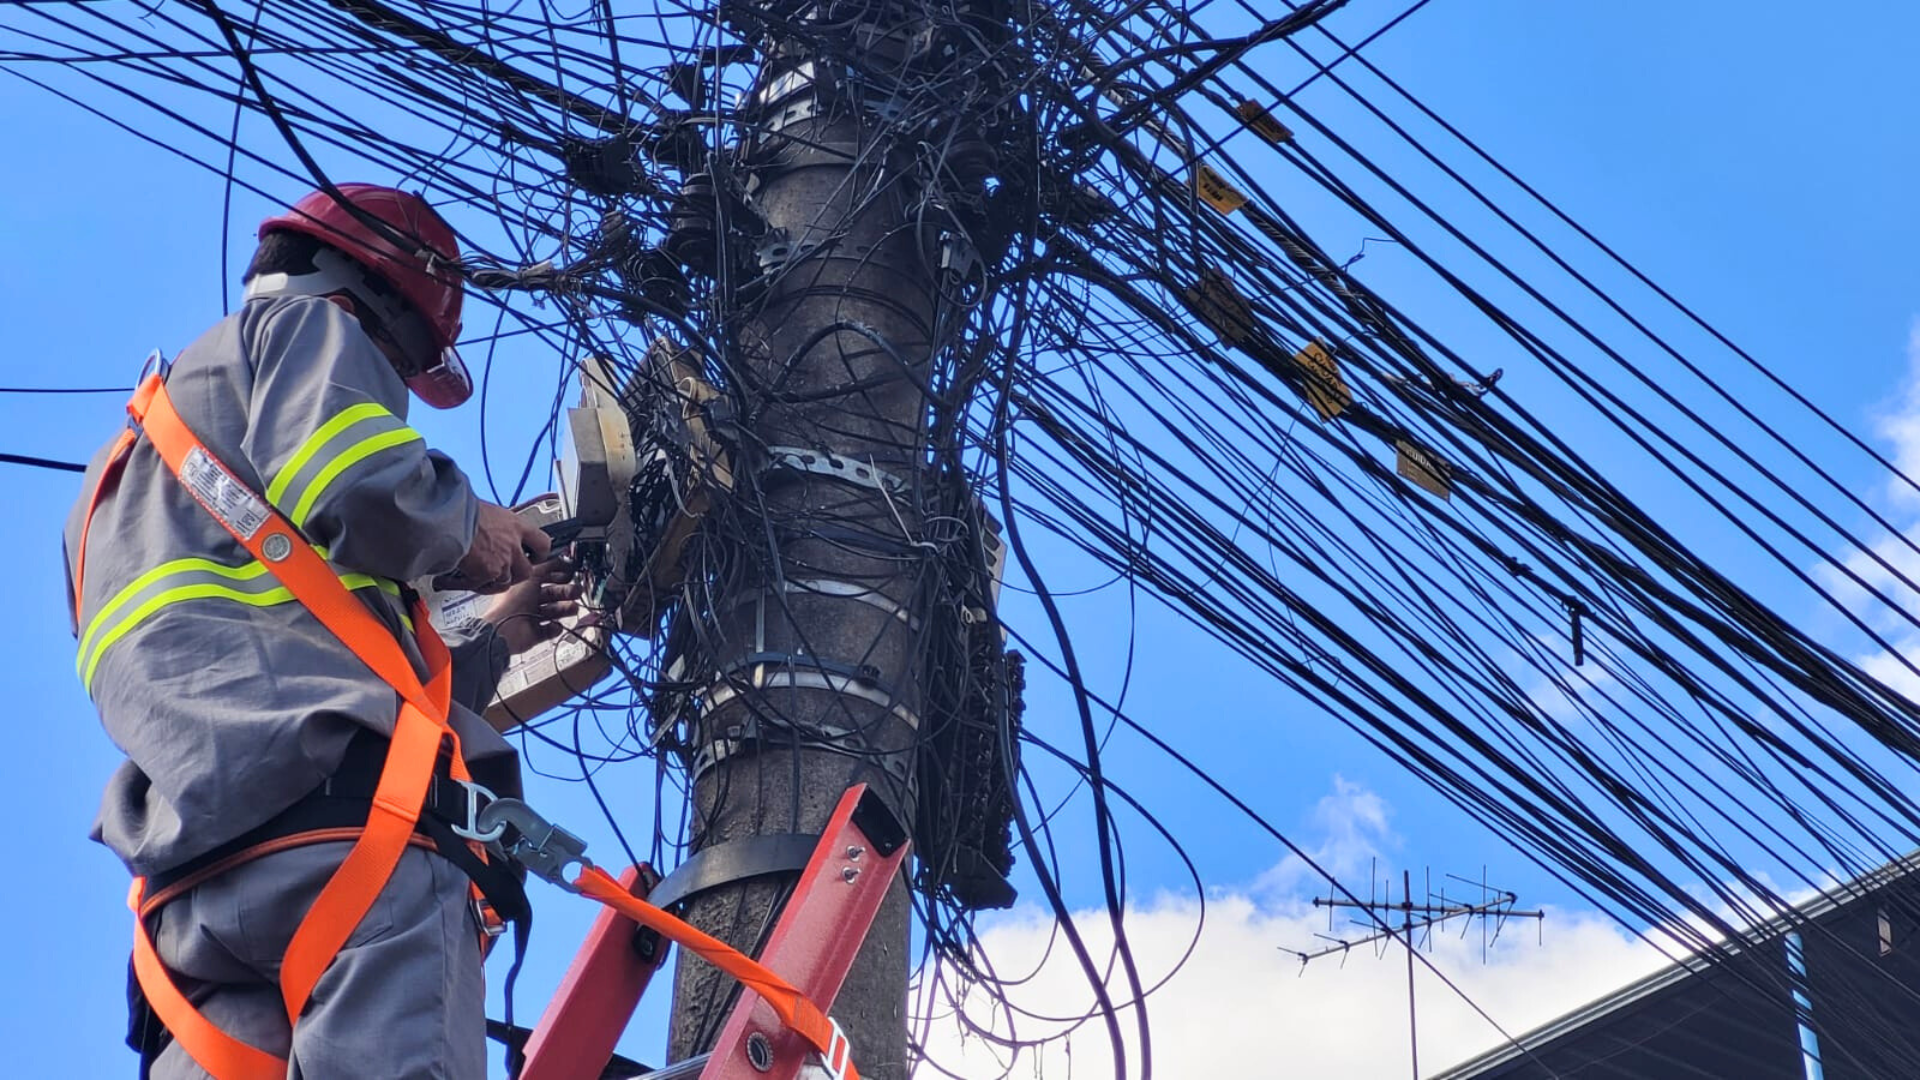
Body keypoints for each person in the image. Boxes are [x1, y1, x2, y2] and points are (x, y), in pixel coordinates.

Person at [63, 183, 573, 1078]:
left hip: (196, 888)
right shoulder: (309, 330)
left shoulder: (107, 494)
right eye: (405, 360)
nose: (395, 388)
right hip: (358, 847)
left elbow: (293, 644)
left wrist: (494, 639)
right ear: (365, 294)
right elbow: (357, 485)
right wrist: (472, 529)